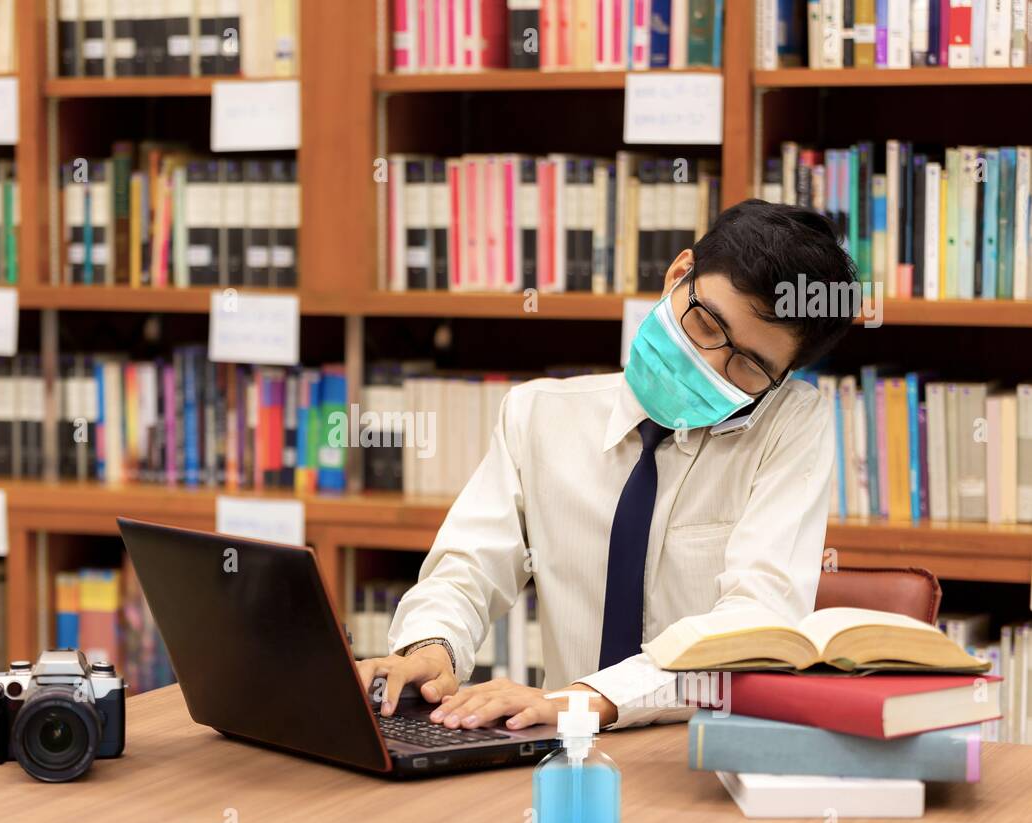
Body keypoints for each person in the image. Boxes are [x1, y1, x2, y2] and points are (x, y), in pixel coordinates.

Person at [356, 199, 859, 731]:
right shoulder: (538, 414)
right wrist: (431, 650)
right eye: (708, 324)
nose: (709, 365)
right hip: (553, 746)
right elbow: (467, 570)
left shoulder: (789, 426)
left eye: (749, 367)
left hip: (697, 756)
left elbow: (756, 624)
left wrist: (582, 700)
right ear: (678, 275)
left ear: (780, 379)